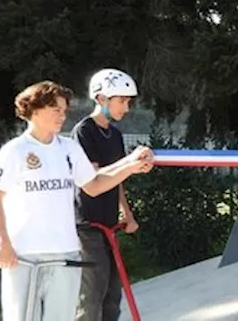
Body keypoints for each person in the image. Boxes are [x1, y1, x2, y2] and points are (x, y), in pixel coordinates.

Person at [0, 81, 154, 321]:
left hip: (66, 254)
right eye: (56, 110)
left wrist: (132, 166)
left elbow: (94, 184)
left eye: (64, 110)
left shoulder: (69, 148)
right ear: (35, 110)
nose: (62, 116)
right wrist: (3, 243)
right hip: (23, 256)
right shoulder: (15, 151)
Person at [73, 69, 142, 321]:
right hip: (88, 225)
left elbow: (118, 178)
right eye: (122, 101)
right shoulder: (84, 132)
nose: (126, 107)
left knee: (114, 293)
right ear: (102, 99)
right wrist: (129, 165)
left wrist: (127, 212)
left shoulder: (116, 135)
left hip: (110, 223)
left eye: (128, 102)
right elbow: (93, 177)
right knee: (92, 294)